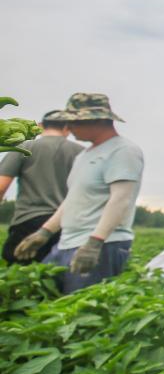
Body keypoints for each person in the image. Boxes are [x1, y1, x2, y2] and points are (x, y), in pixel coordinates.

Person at [14, 93, 144, 294]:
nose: (69, 128)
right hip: (67, 242)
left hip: (101, 245)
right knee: (41, 300)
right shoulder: (84, 155)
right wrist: (44, 232)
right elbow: (72, 199)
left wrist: (95, 243)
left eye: (75, 122)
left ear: (99, 119)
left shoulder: (123, 151)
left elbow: (121, 200)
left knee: (79, 311)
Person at [0, 110, 84, 264]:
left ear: (40, 126)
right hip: (65, 224)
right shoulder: (81, 153)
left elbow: (1, 187)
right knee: (59, 278)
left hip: (27, 221)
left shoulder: (24, 147)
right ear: (67, 128)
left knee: (19, 276)